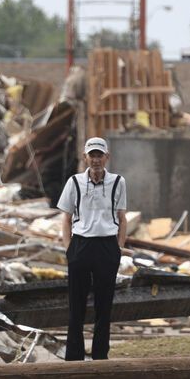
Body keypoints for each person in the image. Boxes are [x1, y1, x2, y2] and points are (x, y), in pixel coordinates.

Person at [56, 137, 127, 361]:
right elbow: (66, 219)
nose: (95, 160)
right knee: (76, 306)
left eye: (99, 155)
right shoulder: (74, 182)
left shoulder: (118, 182)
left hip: (107, 246)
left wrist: (119, 249)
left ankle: (100, 357)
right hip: (81, 245)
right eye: (92, 155)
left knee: (104, 306)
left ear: (107, 157)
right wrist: (70, 250)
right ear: (85, 157)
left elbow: (122, 218)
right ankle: (74, 358)